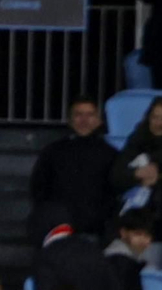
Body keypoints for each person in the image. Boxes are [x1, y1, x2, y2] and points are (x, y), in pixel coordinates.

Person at [29, 98, 116, 236]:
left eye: (90, 114)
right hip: (58, 231)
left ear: (99, 120)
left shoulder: (111, 154)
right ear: (70, 119)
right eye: (78, 114)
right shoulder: (53, 152)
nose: (84, 120)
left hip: (97, 233)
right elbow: (39, 188)